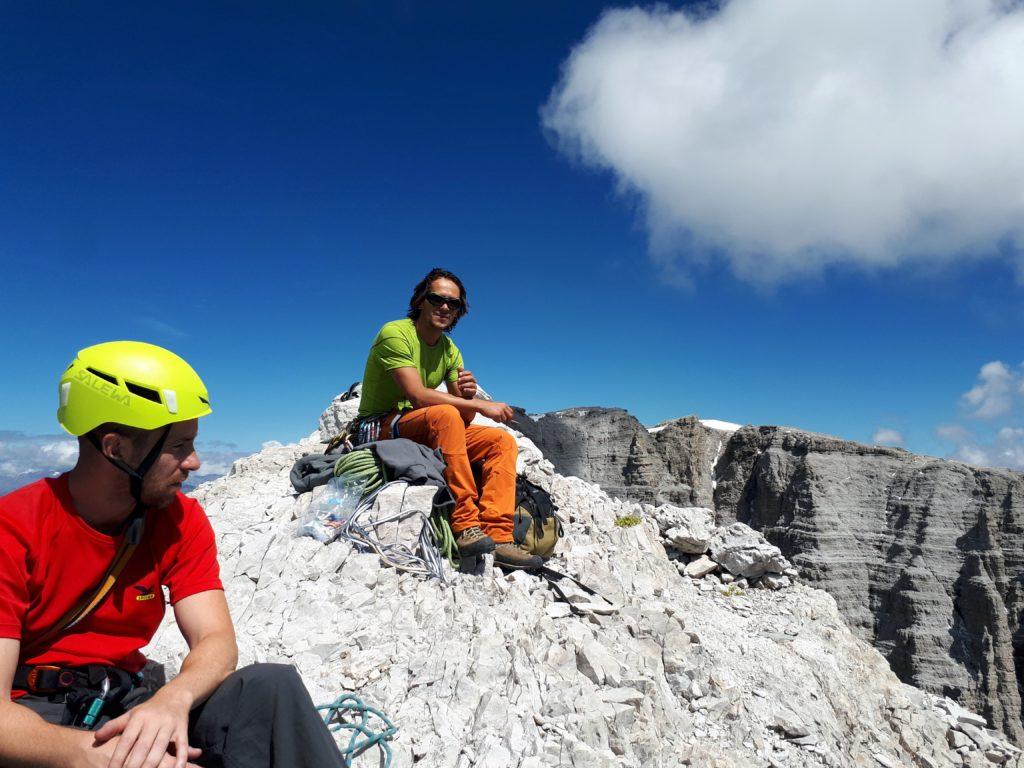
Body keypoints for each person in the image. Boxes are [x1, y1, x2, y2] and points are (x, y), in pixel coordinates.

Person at [0, 341, 345, 768]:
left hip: (128, 698)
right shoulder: (14, 526)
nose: (195, 462)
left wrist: (173, 700)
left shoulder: (179, 518)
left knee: (271, 686)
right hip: (39, 716)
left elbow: (215, 640)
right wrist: (107, 759)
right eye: (179, 445)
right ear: (115, 448)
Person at [357, 267, 543, 570]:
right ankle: (465, 524)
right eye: (437, 299)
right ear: (420, 301)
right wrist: (484, 406)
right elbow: (418, 395)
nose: (445, 307)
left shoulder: (450, 350)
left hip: (419, 423)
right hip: (380, 425)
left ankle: (499, 535)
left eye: (453, 304)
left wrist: (469, 397)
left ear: (459, 312)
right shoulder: (395, 333)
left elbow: (464, 418)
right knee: (443, 414)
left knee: (500, 440)